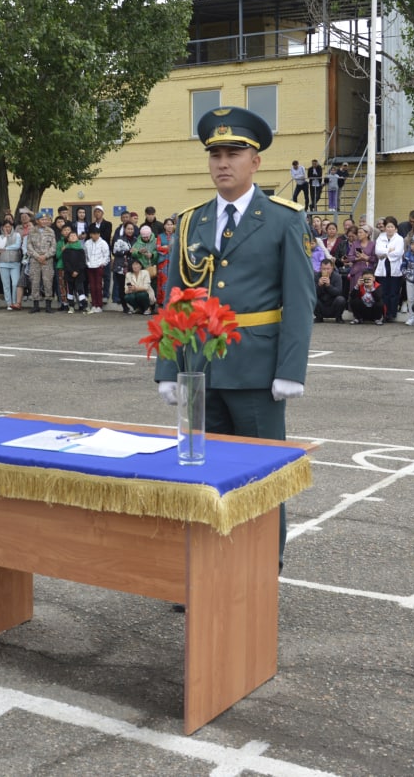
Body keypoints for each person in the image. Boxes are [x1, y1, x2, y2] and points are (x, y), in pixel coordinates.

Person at [154, 104, 313, 576]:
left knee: (262, 476)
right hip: (199, 369)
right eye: (215, 154)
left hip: (257, 370)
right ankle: (205, 571)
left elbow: (299, 300)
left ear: (256, 161)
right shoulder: (191, 221)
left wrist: (290, 369)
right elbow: (174, 298)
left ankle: (263, 567)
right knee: (201, 475)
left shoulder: (283, 219)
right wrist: (168, 368)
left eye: (234, 153)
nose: (223, 163)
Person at [373, 217, 404, 323]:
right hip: (383, 268)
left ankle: (392, 313)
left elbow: (398, 253)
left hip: (395, 268)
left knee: (393, 293)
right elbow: (377, 251)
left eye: (392, 227)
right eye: (388, 227)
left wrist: (385, 253)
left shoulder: (399, 239)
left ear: (395, 228)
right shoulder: (380, 238)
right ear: (385, 228)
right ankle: (384, 313)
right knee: (384, 292)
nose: (390, 229)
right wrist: (389, 250)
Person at [27, 212, 57, 313]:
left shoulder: (50, 231)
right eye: (42, 220)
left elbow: (53, 246)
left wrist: (45, 256)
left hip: (47, 260)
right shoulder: (31, 231)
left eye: (46, 220)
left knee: (48, 282)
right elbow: (29, 246)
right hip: (35, 260)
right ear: (37, 221)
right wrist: (37, 256)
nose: (44, 221)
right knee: (34, 282)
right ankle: (36, 305)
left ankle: (48, 305)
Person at [0, 219, 23, 310]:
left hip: (15, 261)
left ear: (12, 226)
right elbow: (0, 246)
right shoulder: (0, 237)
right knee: (6, 284)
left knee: (15, 283)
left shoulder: (17, 235)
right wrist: (6, 237)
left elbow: (17, 246)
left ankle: (15, 302)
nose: (7, 228)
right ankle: (9, 303)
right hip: (3, 262)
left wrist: (6, 248)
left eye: (9, 226)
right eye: (5, 226)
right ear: (2, 227)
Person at [61, 228, 88, 312]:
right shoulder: (66, 250)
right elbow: (66, 262)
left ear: (77, 238)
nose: (72, 237)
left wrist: (77, 271)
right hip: (69, 274)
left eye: (74, 235)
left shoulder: (81, 249)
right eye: (71, 236)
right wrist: (71, 271)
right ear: (68, 239)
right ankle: (71, 306)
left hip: (79, 274)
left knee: (80, 290)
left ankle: (84, 306)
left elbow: (82, 262)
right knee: (70, 290)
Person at [83, 224, 109, 313]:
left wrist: (102, 264)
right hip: (90, 267)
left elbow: (106, 256)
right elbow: (85, 255)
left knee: (98, 286)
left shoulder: (103, 243)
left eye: (96, 234)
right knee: (92, 287)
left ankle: (99, 305)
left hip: (99, 267)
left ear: (99, 234)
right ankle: (94, 304)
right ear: (90, 234)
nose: (95, 236)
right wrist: (87, 263)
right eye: (93, 234)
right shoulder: (87, 243)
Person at [314, 258, 346, 323]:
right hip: (321, 304)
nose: (326, 271)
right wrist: (319, 285)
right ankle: (318, 317)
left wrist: (329, 286)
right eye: (324, 269)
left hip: (333, 303)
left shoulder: (337, 277)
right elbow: (313, 293)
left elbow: (338, 292)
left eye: (328, 269)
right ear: (320, 269)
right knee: (312, 299)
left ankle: (338, 317)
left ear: (332, 268)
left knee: (341, 299)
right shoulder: (316, 276)